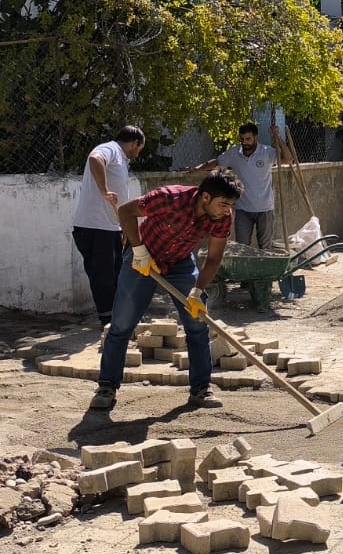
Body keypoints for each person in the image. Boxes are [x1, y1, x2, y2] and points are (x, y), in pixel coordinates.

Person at [89, 170, 242, 413]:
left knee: (197, 323)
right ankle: (106, 387)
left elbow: (213, 258)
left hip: (180, 262)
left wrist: (197, 291)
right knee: (121, 325)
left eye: (230, 205)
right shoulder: (170, 198)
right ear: (205, 197)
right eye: (223, 204)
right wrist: (139, 251)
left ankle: (201, 388)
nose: (227, 210)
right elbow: (126, 211)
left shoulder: (222, 217)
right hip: (142, 258)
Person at [70, 125, 145, 328]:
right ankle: (109, 320)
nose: (137, 154)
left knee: (117, 274)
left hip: (110, 227)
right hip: (95, 226)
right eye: (139, 149)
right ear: (134, 143)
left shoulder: (120, 158)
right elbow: (95, 159)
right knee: (103, 276)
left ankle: (119, 317)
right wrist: (104, 190)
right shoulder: (111, 148)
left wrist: (123, 227)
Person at [194, 121, 287, 250]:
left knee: (265, 247)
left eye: (248, 139)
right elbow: (217, 162)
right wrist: (197, 169)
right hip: (243, 209)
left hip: (265, 208)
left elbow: (288, 159)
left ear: (256, 137)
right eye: (242, 139)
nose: (245, 142)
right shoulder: (234, 153)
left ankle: (263, 264)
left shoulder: (266, 152)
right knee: (242, 247)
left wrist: (278, 137)